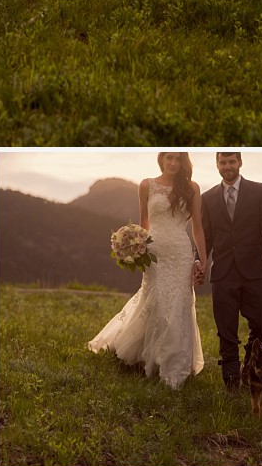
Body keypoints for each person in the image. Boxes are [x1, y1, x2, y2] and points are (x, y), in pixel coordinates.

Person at [88, 153, 206, 389]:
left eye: (178, 159)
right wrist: (134, 248)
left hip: (181, 253)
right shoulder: (146, 185)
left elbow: (198, 228)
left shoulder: (192, 187)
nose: (173, 163)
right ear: (161, 160)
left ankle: (174, 365)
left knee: (180, 303)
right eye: (169, 158)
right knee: (157, 301)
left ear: (184, 162)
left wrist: (203, 260)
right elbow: (144, 224)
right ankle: (146, 356)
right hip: (155, 254)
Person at [201, 152, 262, 391]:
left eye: (232, 162)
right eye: (223, 162)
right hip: (223, 272)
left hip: (256, 270)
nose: (228, 166)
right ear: (217, 165)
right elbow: (205, 237)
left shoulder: (260, 191)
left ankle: (248, 368)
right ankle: (231, 380)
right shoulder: (207, 198)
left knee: (259, 325)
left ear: (240, 163)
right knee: (225, 329)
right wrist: (199, 261)